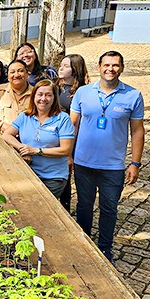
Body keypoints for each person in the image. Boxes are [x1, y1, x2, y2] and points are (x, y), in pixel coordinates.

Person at [71, 50, 145, 261]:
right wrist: (68, 155)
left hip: (113, 166)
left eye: (115, 65)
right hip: (83, 162)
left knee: (109, 208)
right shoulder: (83, 93)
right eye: (107, 65)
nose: (110, 69)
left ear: (121, 68)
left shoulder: (133, 95)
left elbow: (137, 131)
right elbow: (73, 125)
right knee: (84, 205)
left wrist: (135, 163)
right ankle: (84, 243)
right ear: (99, 66)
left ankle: (105, 248)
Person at [3, 80, 75, 198]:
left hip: (53, 177)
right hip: (28, 173)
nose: (43, 98)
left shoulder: (63, 119)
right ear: (34, 96)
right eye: (40, 94)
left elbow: (65, 150)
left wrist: (36, 151)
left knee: (40, 205)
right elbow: (7, 134)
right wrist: (23, 148)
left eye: (48, 95)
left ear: (54, 98)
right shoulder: (25, 116)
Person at [57, 54, 89, 211]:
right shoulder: (59, 86)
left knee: (67, 173)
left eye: (66, 66)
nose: (61, 68)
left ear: (75, 70)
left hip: (73, 137)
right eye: (61, 65)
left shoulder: (81, 92)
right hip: (58, 134)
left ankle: (66, 207)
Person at [0, 59, 33, 132]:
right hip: (1, 138)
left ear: (27, 73)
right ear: (8, 76)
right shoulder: (0, 90)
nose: (16, 75)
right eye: (12, 72)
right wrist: (0, 124)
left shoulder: (36, 93)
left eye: (20, 71)